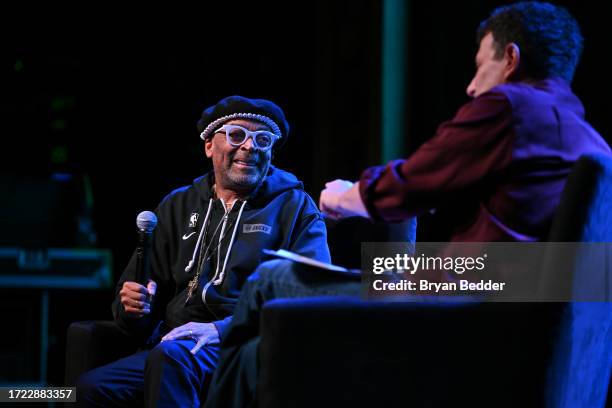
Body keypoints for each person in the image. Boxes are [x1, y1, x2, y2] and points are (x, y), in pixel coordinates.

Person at [204, 2, 611, 407]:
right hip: (500, 292)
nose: (472, 86)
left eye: (479, 66)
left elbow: (409, 184)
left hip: (471, 296)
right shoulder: (593, 143)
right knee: (377, 272)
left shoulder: (512, 107)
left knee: (270, 278)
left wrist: (343, 196)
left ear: (510, 58)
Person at [75, 95, 331, 407]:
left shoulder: (294, 207)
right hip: (175, 343)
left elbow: (311, 292)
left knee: (172, 359)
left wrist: (220, 329)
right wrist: (133, 309)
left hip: (247, 344)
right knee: (91, 389)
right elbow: (135, 304)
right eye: (237, 135)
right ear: (209, 145)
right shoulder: (178, 205)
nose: (250, 147)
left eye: (262, 140)